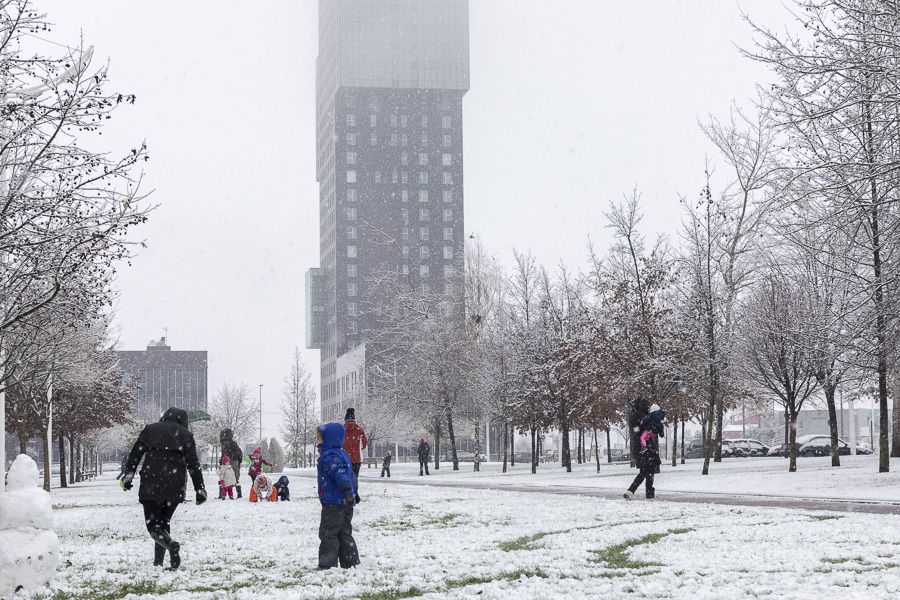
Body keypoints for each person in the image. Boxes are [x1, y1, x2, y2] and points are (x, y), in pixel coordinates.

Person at [120, 407, 207, 569]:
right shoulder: (185, 435)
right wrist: (199, 488)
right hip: (175, 484)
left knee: (153, 525)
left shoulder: (150, 429)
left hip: (152, 481)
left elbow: (136, 453)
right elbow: (193, 463)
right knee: (164, 522)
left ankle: (171, 546)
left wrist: (129, 474)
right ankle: (158, 561)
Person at [316, 422, 360, 570]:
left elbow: (340, 475)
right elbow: (351, 475)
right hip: (346, 502)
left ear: (329, 438)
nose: (318, 441)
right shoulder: (343, 454)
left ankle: (328, 564)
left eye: (320, 438)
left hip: (333, 503)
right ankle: (350, 561)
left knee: (329, 533)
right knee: (345, 532)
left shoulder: (329, 455)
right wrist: (353, 493)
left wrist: (348, 491)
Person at [624, 403, 665, 500]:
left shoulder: (638, 419)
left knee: (643, 473)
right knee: (649, 472)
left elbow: (636, 432)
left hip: (642, 450)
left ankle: (631, 491)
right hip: (648, 450)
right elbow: (650, 433)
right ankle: (648, 494)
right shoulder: (647, 418)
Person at [342, 408, 367, 503]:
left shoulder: (342, 430)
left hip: (344, 459)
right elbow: (364, 444)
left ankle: (347, 495)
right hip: (356, 459)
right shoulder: (360, 430)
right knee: (354, 478)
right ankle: (354, 495)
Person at [220, 428, 244, 498]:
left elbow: (238, 453)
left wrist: (232, 459)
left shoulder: (231, 443)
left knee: (233, 478)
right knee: (226, 478)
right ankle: (223, 494)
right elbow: (223, 454)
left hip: (233, 462)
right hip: (229, 462)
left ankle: (238, 494)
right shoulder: (225, 444)